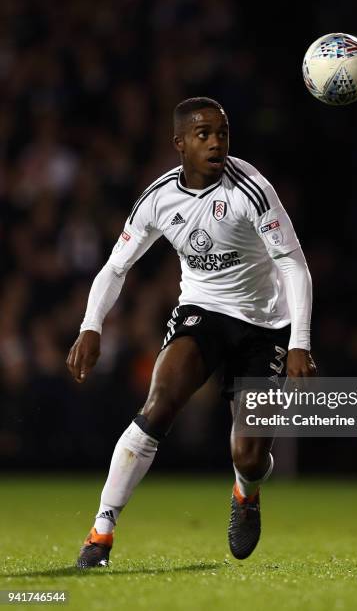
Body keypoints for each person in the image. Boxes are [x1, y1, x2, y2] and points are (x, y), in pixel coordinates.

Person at [66, 97, 316, 569]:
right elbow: (115, 267)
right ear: (179, 143)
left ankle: (246, 492)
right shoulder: (159, 198)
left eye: (222, 133)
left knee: (247, 455)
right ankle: (101, 533)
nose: (215, 142)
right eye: (203, 135)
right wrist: (90, 326)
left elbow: (292, 263)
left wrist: (299, 340)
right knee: (157, 406)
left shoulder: (253, 189)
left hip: (265, 326)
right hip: (203, 312)